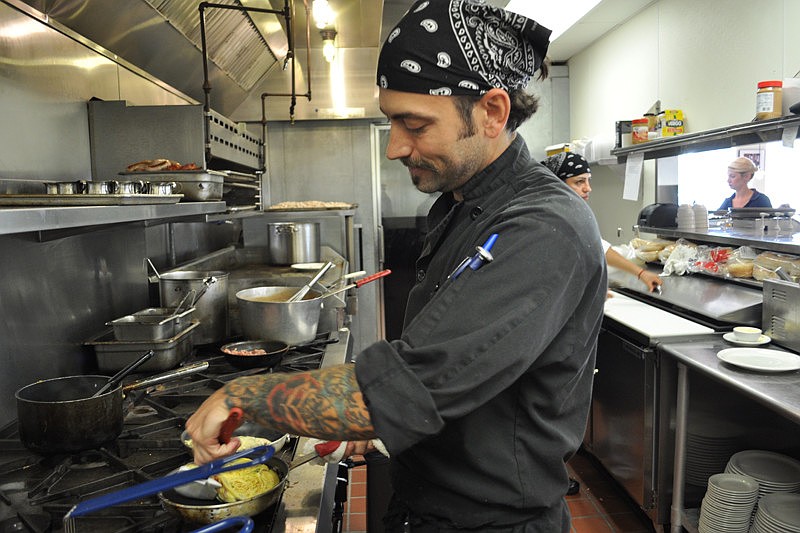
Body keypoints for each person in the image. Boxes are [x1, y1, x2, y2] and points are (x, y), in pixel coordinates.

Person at [186, 2, 607, 531]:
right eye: (392, 120)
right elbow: (460, 363)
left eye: (414, 124)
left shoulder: (544, 226)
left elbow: (420, 381)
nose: (394, 147)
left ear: (492, 112)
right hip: (426, 503)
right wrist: (380, 424)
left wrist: (244, 397)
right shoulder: (461, 204)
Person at [543, 152, 663, 293]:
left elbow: (598, 248)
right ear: (558, 184)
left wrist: (640, 273)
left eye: (588, 180)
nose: (588, 188)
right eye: (579, 182)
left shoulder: (571, 212)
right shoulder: (551, 216)